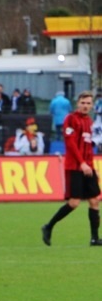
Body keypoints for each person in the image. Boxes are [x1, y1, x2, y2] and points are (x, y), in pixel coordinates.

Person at [41, 91, 101, 247]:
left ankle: (95, 238)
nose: (85, 106)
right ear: (77, 103)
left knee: (94, 201)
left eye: (88, 103)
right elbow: (71, 144)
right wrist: (81, 163)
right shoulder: (71, 119)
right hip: (75, 167)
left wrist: (90, 164)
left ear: (92, 106)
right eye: (83, 102)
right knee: (74, 203)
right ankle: (49, 226)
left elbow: (87, 144)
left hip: (88, 166)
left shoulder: (89, 121)